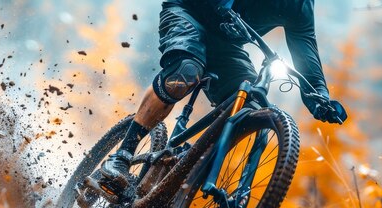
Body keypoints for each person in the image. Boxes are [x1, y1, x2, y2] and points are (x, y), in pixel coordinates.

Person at [100, 0, 348, 191]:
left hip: (226, 44)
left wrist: (319, 99)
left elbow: (306, 48)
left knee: (249, 109)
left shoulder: (300, 5)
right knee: (185, 73)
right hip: (188, 11)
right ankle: (121, 157)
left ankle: (174, 185)